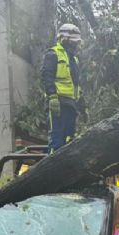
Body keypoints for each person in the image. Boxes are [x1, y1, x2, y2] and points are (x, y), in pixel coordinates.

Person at [41, 23, 86, 153]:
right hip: (58, 103)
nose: (75, 45)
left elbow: (76, 85)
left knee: (69, 140)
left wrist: (83, 107)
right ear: (64, 39)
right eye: (73, 42)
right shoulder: (53, 54)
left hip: (71, 104)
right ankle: (52, 169)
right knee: (57, 140)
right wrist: (52, 96)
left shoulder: (74, 60)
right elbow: (46, 76)